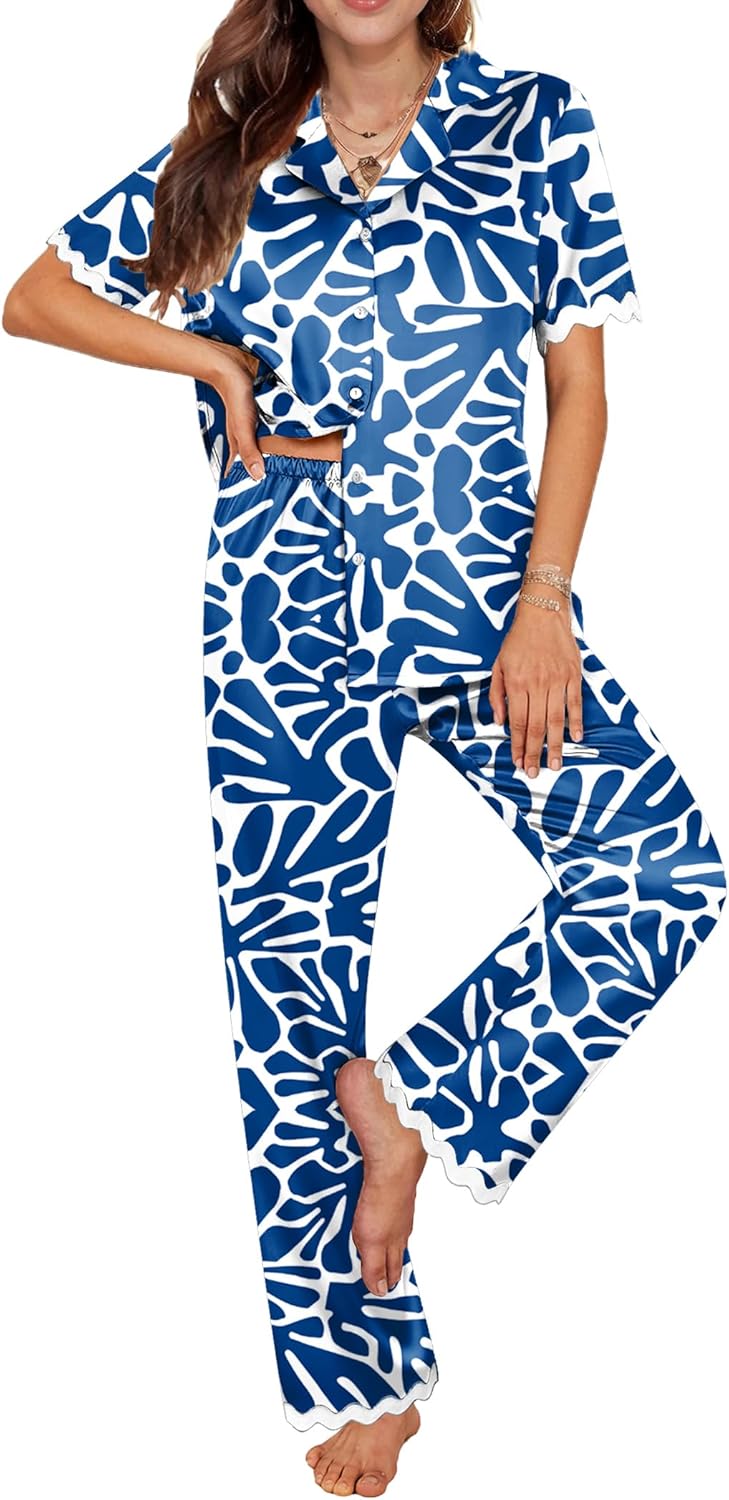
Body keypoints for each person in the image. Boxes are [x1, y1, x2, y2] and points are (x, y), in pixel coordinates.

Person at [3, 0, 726, 1494]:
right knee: (288, 998)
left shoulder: (533, 121)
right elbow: (36, 297)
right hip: (285, 601)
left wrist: (544, 602)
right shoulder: (236, 150)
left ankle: (414, 1105)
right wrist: (210, 366)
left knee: (659, 868)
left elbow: (580, 389)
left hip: (479, 600)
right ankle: (355, 1377)